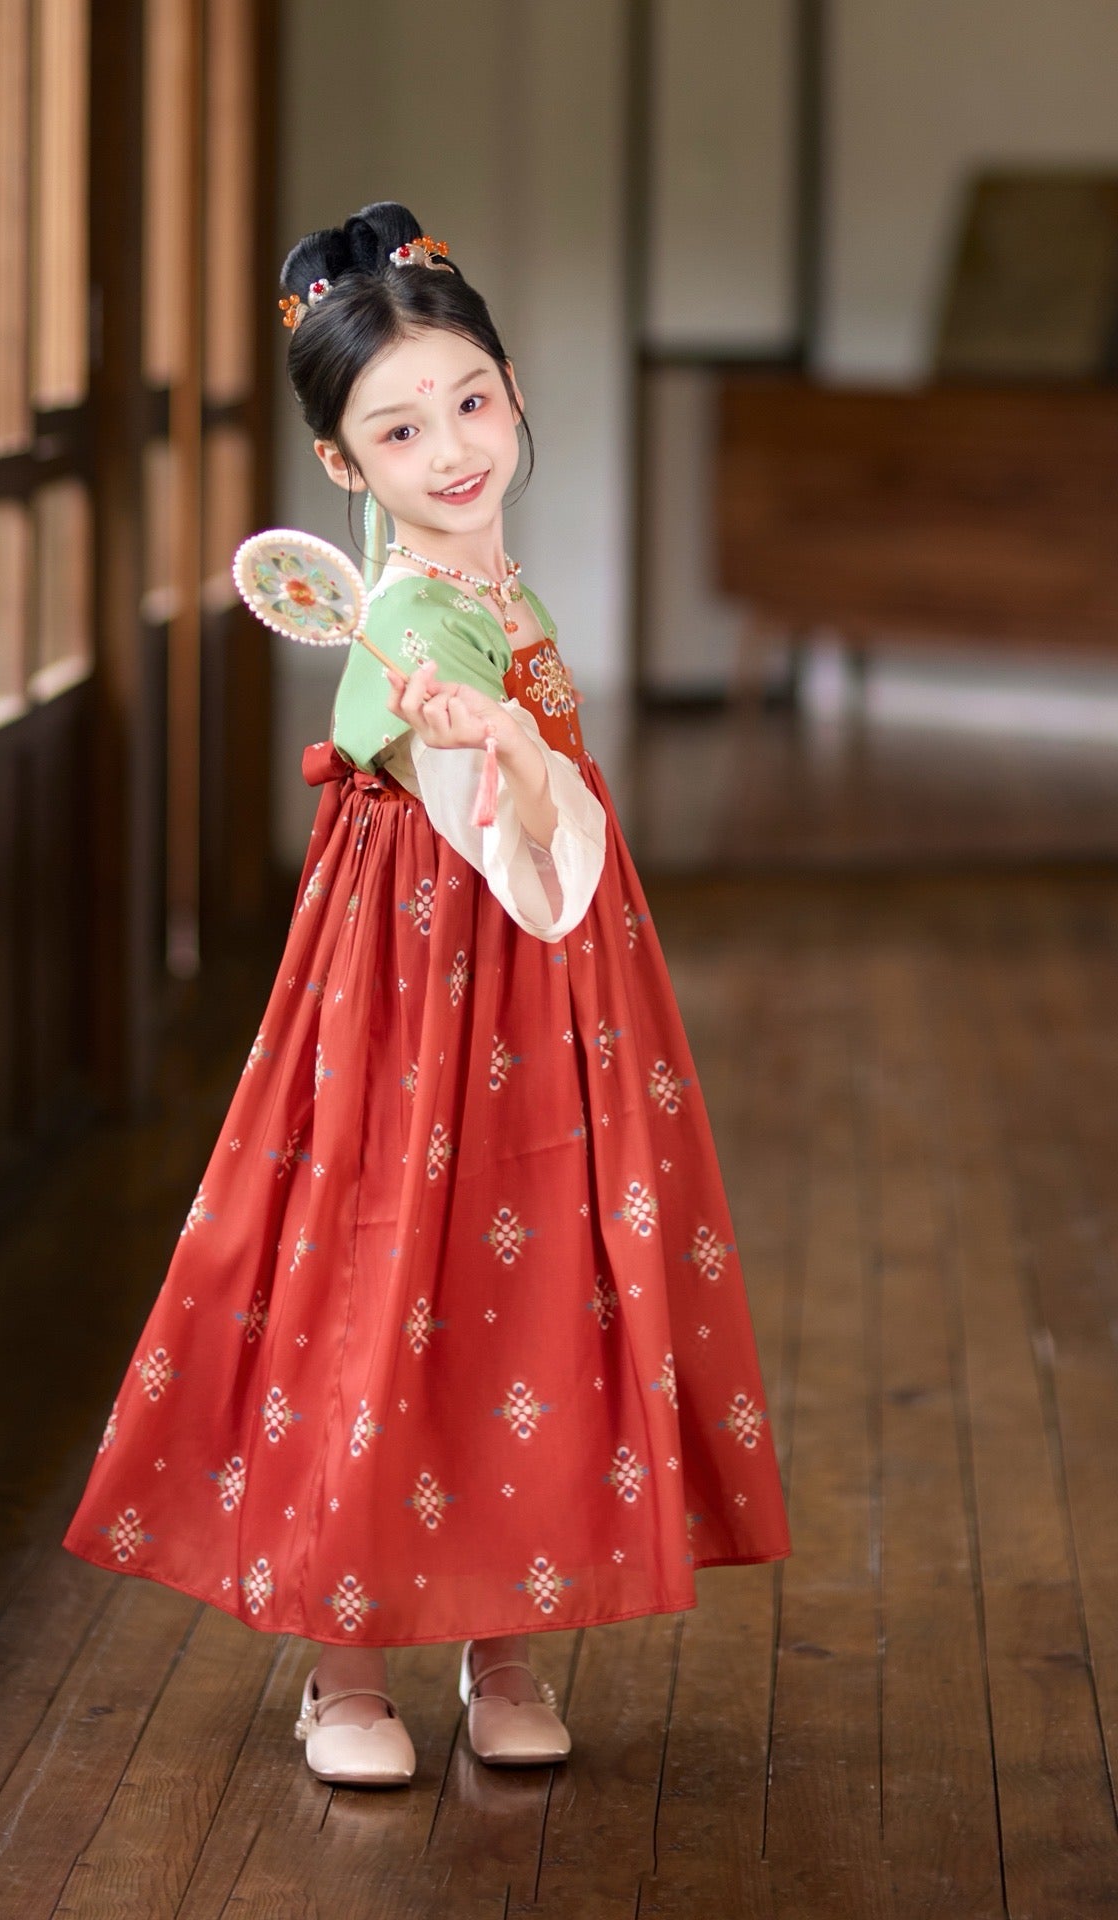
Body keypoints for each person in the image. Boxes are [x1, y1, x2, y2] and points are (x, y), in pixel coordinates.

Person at [61, 201, 792, 1788]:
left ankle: (502, 1642)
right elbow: (495, 838)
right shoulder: (396, 621)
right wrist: (501, 750)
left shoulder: (498, 591)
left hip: (539, 990)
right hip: (413, 995)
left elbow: (542, 829)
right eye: (399, 429)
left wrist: (526, 749)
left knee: (527, 1290)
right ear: (343, 466)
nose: (450, 448)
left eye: (470, 401)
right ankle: (343, 1675)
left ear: (514, 391)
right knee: (386, 1278)